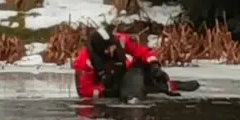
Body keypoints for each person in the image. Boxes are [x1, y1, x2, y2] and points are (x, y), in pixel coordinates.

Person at [72, 26, 200, 99]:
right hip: (108, 86)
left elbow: (143, 52)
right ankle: (153, 89)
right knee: (130, 90)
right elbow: (84, 91)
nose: (113, 50)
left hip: (127, 74)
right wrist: (105, 91)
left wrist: (154, 65)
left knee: (144, 66)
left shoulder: (121, 41)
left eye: (113, 46)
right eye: (109, 48)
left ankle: (164, 83)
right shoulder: (84, 63)